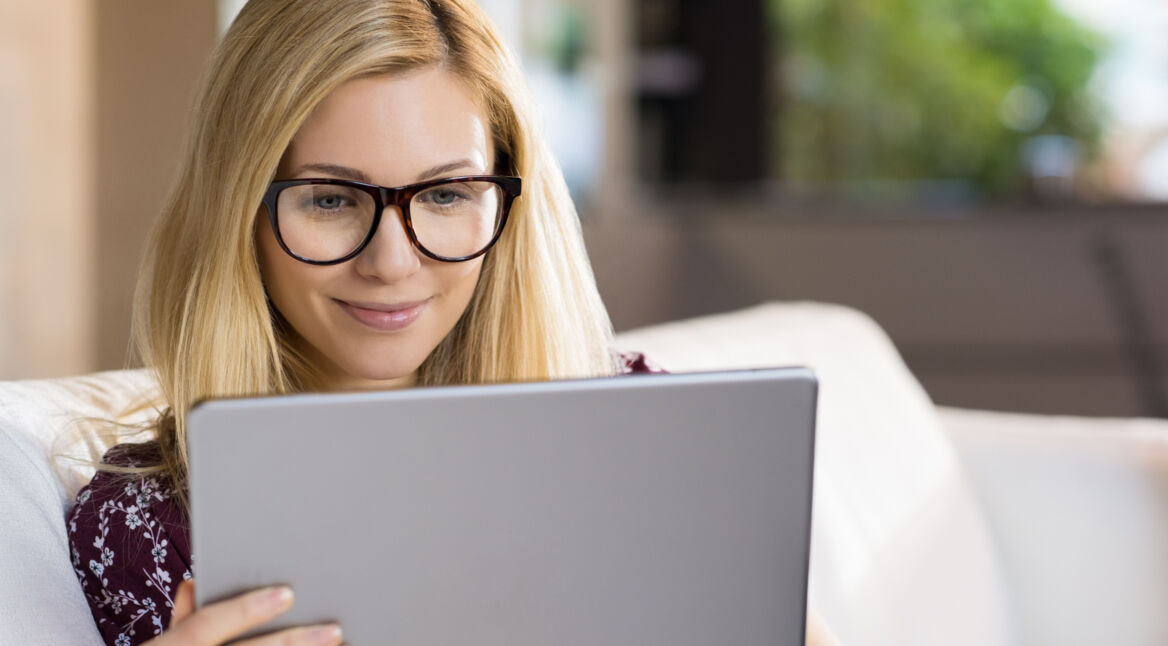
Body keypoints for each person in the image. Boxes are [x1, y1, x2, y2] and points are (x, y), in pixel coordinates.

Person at [66, 1, 840, 645]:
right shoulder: (148, 526)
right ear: (236, 210)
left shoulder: (643, 435)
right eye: (331, 200)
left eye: (446, 195)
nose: (393, 262)